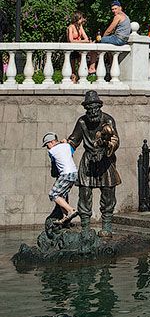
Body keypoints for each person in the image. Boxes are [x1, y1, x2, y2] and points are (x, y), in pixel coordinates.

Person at [68, 90, 121, 238]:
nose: (92, 112)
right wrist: (65, 149)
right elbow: (74, 140)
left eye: (95, 109)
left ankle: (107, 226)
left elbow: (115, 140)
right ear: (86, 109)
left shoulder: (108, 120)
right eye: (89, 109)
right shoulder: (82, 122)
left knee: (108, 192)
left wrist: (110, 145)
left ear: (99, 108)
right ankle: (85, 227)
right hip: (88, 160)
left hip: (105, 160)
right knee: (84, 193)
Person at [42, 132, 79, 225]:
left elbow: (54, 167)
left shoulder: (51, 152)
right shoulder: (67, 146)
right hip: (74, 173)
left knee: (53, 194)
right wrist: (65, 142)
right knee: (61, 196)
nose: (47, 147)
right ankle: (66, 217)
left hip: (65, 174)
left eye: (47, 145)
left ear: (52, 141)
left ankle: (71, 210)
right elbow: (71, 152)